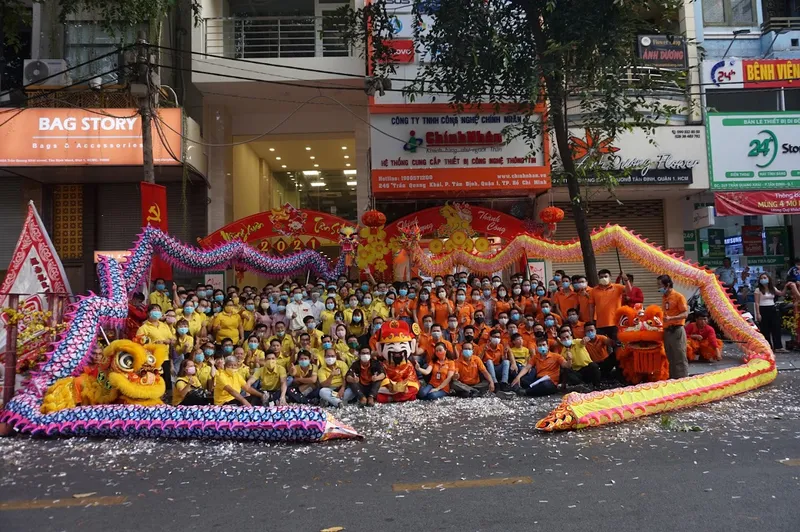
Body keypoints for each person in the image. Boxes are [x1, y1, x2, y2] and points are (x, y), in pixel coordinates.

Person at [588, 269, 631, 344]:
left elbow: (629, 291)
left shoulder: (617, 287)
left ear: (610, 277)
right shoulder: (594, 291)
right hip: (600, 324)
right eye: (601, 277)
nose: (603, 278)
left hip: (615, 323)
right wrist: (591, 320)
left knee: (617, 344)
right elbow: (591, 306)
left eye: (605, 276)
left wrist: (626, 280)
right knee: (602, 345)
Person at [659, 274, 689, 378]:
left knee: (679, 357)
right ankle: (673, 379)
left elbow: (685, 314)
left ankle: (683, 380)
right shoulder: (664, 297)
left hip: (676, 330)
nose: (659, 288)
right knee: (670, 357)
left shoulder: (678, 297)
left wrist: (671, 319)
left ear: (667, 285)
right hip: (667, 331)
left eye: (660, 285)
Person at [754, 273, 787, 352]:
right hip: (763, 309)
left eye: (765, 277)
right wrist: (758, 313)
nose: (763, 279)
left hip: (772, 308)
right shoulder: (758, 290)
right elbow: (757, 302)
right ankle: (768, 346)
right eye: (761, 278)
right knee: (765, 329)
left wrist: (786, 286)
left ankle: (778, 346)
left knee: (776, 327)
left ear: (768, 279)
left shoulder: (773, 288)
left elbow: (781, 293)